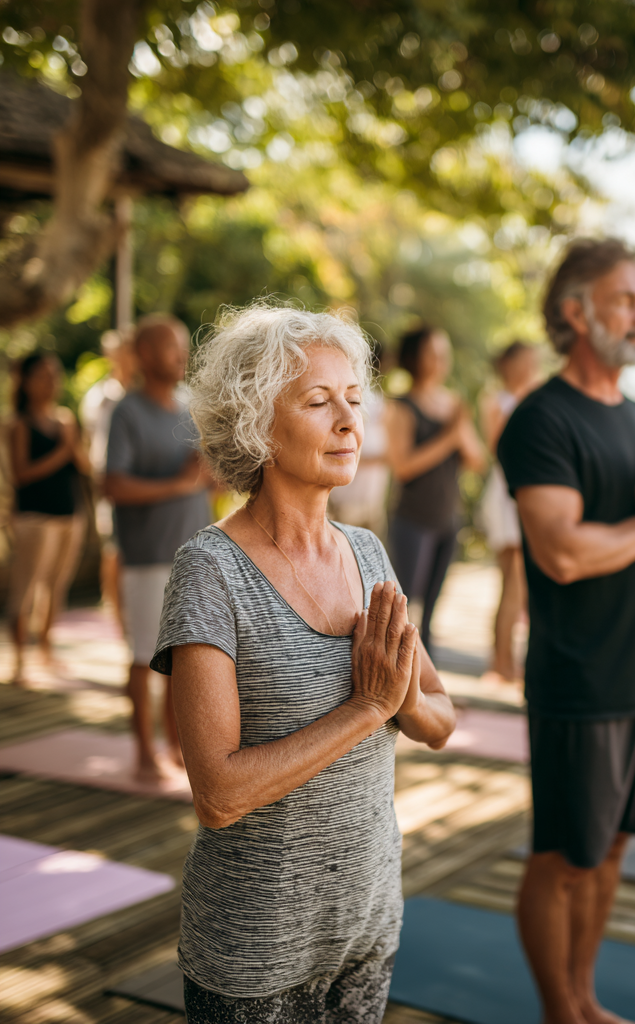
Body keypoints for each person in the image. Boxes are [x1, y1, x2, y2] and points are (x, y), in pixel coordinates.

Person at [154, 303, 456, 1024]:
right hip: (256, 954)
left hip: (367, 923)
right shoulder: (210, 571)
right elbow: (218, 794)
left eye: (354, 400)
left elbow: (440, 719)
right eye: (320, 402)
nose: (350, 422)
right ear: (256, 423)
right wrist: (365, 710)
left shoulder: (369, 554)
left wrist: (398, 699)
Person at [497, 238, 635, 1024]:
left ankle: (586, 999)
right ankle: (560, 1012)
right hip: (578, 679)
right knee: (561, 857)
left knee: (614, 848)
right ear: (575, 313)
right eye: (626, 299)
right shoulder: (541, 420)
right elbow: (560, 554)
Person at [104, 316, 214, 781]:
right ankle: (144, 752)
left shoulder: (192, 407)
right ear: (145, 355)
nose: (181, 356)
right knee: (142, 655)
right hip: (148, 555)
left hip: (196, 554)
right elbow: (112, 485)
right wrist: (177, 484)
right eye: (170, 348)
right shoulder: (126, 412)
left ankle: (176, 747)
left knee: (185, 659)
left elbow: (207, 479)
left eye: (182, 348)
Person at [386, 325, 485, 653]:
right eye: (433, 353)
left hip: (448, 518)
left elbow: (476, 460)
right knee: (405, 605)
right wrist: (448, 438)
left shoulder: (454, 404)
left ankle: (428, 687)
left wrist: (460, 432)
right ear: (415, 358)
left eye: (445, 353)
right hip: (413, 518)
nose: (442, 360)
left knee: (432, 611)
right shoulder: (401, 405)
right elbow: (402, 466)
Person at [5, 352, 90, 685]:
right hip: (33, 519)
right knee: (25, 588)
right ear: (26, 381)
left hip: (69, 516)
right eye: (43, 375)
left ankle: (46, 649)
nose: (52, 381)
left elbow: (84, 466)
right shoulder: (19, 423)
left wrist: (74, 449)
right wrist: (62, 452)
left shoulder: (66, 419)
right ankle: (20, 660)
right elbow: (22, 473)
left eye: (55, 374)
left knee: (56, 587)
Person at [479, 340, 543, 682]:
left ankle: (506, 660)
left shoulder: (537, 397)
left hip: (524, 494)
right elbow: (496, 445)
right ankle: (501, 662)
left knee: (518, 584)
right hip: (505, 495)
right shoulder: (496, 400)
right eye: (528, 361)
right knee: (513, 579)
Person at [80, 329, 137, 625]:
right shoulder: (99, 397)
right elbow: (91, 444)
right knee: (113, 550)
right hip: (112, 484)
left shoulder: (146, 394)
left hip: (141, 483)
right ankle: (117, 621)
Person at [327, 338, 390, 536]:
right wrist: (385, 457)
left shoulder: (380, 400)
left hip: (372, 499)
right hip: (349, 500)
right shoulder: (359, 399)